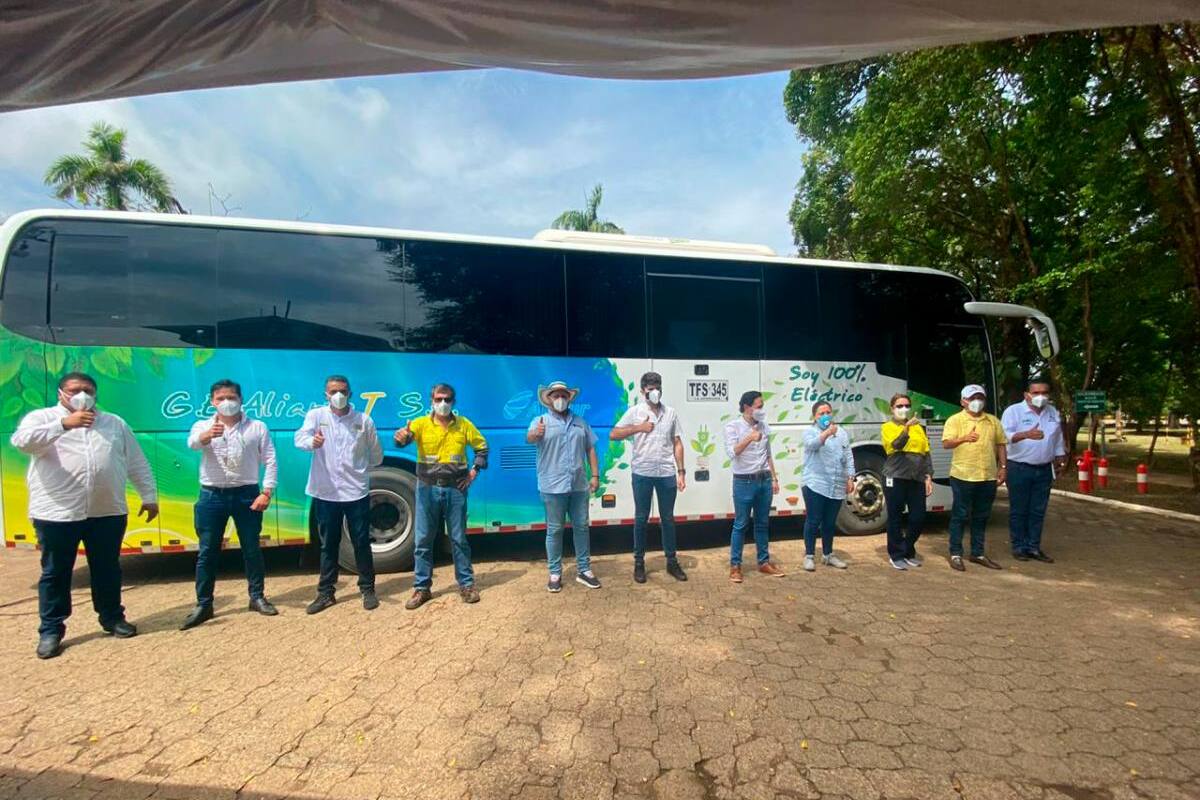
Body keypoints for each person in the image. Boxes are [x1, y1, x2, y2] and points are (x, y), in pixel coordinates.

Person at [11, 372, 158, 659]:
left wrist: (149, 496)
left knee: (107, 567)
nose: (82, 395)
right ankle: (51, 630)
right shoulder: (41, 418)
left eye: (88, 390)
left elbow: (136, 461)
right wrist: (63, 425)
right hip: (57, 513)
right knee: (56, 572)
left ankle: (112, 618)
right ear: (61, 393)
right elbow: (22, 442)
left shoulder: (114, 423)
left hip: (107, 511)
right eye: (75, 390)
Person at [181, 379, 279, 629]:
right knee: (207, 552)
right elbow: (191, 444)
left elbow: (270, 459)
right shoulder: (202, 425)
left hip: (247, 494)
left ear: (241, 399)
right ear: (212, 401)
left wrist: (266, 492)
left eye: (232, 397)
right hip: (211, 496)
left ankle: (256, 597)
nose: (227, 402)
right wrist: (206, 436)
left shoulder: (257, 427)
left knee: (251, 549)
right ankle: (204, 604)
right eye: (221, 398)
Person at [394, 383, 489, 609]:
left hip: (456, 490)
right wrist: (401, 437)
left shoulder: (464, 425)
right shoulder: (419, 424)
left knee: (458, 539)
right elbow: (402, 440)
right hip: (427, 488)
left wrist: (474, 471)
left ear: (453, 402)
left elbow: (482, 448)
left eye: (447, 399)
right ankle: (421, 589)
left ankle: (466, 585)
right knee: (423, 540)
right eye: (438, 399)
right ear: (431, 401)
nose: (443, 404)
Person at [294, 375, 383, 613]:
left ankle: (368, 589)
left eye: (343, 391)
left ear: (350, 393)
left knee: (361, 542)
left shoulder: (363, 420)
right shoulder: (316, 416)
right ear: (326, 394)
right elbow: (299, 439)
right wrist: (311, 442)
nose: (338, 396)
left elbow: (376, 455)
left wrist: (360, 470)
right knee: (328, 544)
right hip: (326, 492)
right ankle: (326, 593)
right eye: (333, 391)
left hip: (356, 492)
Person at [610, 372, 687, 583]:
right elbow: (614, 434)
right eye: (650, 387)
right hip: (642, 473)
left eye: (657, 386)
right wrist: (639, 428)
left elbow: (677, 442)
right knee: (641, 518)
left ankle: (671, 562)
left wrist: (681, 471)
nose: (654, 390)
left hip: (666, 473)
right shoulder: (635, 412)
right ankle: (639, 564)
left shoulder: (670, 413)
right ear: (643, 390)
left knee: (668, 519)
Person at [527, 381, 601, 592]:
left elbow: (591, 450)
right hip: (552, 486)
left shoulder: (580, 422)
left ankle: (584, 571)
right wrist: (535, 434)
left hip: (578, 485)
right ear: (548, 399)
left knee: (581, 527)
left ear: (569, 398)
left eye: (563, 395)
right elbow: (529, 438)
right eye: (555, 395)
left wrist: (594, 475)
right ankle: (555, 573)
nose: (560, 399)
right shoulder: (539, 421)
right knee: (555, 530)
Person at [941, 384, 1008, 572]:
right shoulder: (955, 420)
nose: (976, 402)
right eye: (972, 399)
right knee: (960, 515)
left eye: (980, 398)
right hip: (962, 475)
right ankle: (955, 553)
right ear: (963, 401)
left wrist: (1003, 467)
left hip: (987, 476)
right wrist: (964, 438)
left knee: (981, 516)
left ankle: (977, 553)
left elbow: (1001, 444)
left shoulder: (993, 421)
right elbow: (946, 443)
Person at [1002, 378, 1067, 563]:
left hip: (1044, 469)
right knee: (1019, 509)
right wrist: (1025, 434)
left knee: (1038, 510)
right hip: (1019, 468)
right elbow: (1004, 437)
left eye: (1044, 393)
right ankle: (1019, 547)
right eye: (1036, 393)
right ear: (1027, 395)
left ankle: (1034, 547)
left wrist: (1060, 456)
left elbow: (1057, 438)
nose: (1041, 397)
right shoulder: (1013, 411)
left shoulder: (1052, 412)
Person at [723, 390, 785, 582]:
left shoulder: (764, 427)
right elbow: (732, 453)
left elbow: (768, 454)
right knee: (740, 524)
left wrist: (774, 479)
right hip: (744, 481)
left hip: (764, 479)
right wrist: (749, 438)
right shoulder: (732, 427)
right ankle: (735, 566)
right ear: (747, 407)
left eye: (762, 406)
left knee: (762, 523)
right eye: (759, 406)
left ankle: (764, 562)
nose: (761, 410)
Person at [880, 393, 934, 571]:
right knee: (895, 516)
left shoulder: (919, 427)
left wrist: (928, 476)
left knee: (918, 516)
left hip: (916, 477)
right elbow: (896, 445)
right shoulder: (887, 427)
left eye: (906, 405)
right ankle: (896, 555)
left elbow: (925, 452)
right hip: (895, 476)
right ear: (892, 408)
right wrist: (906, 429)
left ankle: (907, 549)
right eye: (899, 406)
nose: (904, 409)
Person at [800, 401, 855, 572]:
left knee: (830, 522)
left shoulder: (841, 433)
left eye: (828, 412)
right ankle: (809, 556)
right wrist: (826, 434)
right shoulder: (810, 431)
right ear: (814, 417)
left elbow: (848, 455)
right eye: (821, 413)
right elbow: (812, 445)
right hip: (815, 484)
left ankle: (828, 555)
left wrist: (850, 477)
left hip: (836, 485)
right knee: (813, 520)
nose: (825, 416)